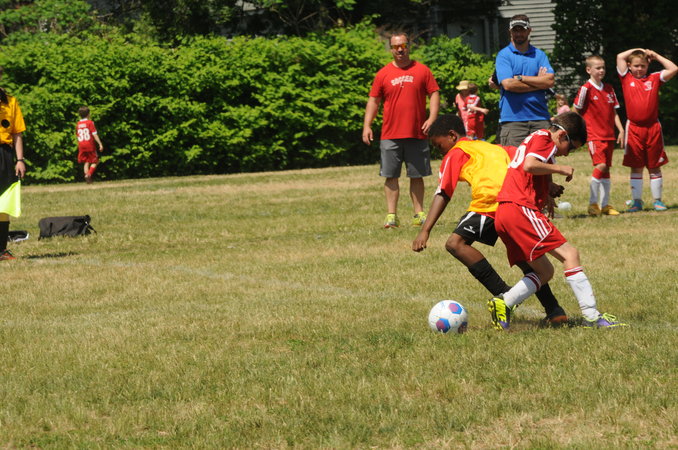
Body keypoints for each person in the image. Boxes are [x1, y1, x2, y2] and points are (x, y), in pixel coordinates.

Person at [412, 114, 567, 325]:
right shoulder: (492, 147)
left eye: (439, 146)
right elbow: (528, 158)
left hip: (491, 203)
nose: (441, 152)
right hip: (516, 204)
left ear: (452, 136)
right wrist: (547, 185)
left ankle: (504, 296)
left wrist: (425, 230)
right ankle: (555, 311)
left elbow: (443, 192)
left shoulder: (457, 151)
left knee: (455, 244)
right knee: (525, 258)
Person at [488, 112, 626, 330]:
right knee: (570, 254)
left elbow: (532, 167)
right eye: (570, 147)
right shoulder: (544, 137)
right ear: (562, 135)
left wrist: (548, 189)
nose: (568, 154)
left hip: (505, 212)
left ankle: (504, 303)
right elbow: (529, 164)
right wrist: (560, 169)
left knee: (544, 272)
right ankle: (592, 316)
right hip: (520, 208)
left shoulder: (538, 138)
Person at [363, 32, 440, 228]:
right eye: (396, 46)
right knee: (391, 175)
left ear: (408, 46)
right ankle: (391, 216)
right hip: (390, 134)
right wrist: (367, 125)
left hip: (417, 132)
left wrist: (432, 118)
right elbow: (374, 101)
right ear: (391, 49)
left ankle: (419, 214)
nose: (400, 50)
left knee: (417, 175)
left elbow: (434, 93)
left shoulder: (422, 70)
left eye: (403, 46)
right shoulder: (383, 73)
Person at [616, 48, 678, 212]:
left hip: (653, 128)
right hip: (634, 129)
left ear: (648, 65)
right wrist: (640, 50)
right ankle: (637, 201)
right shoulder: (626, 78)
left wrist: (656, 56)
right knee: (636, 166)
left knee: (654, 166)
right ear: (629, 66)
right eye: (636, 65)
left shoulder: (654, 78)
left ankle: (658, 201)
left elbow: (674, 68)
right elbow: (620, 56)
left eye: (643, 66)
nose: (639, 69)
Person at [573, 55, 625, 216]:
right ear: (588, 70)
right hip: (594, 135)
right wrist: (577, 131)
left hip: (609, 135)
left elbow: (614, 112)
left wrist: (621, 130)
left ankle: (605, 205)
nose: (601, 70)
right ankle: (592, 203)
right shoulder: (585, 89)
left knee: (606, 169)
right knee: (600, 165)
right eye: (598, 68)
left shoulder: (609, 89)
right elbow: (575, 110)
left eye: (603, 67)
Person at [495, 14, 555, 147]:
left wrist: (521, 78)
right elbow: (508, 85)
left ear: (529, 31)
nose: (518, 33)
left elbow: (550, 81)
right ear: (510, 31)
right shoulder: (503, 55)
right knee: (514, 158)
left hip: (540, 118)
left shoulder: (540, 55)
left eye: (522, 30)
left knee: (543, 158)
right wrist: (539, 83)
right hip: (513, 121)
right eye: (515, 30)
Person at [0, 67, 27, 261]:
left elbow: (17, 133)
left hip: (4, 154)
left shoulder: (10, 102)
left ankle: (1, 249)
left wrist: (20, 160)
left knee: (3, 202)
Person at [76, 106, 104, 184]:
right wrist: (100, 144)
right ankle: (88, 174)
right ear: (88, 114)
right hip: (89, 145)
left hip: (81, 145)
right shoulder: (90, 122)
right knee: (96, 161)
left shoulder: (78, 124)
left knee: (86, 161)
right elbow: (94, 134)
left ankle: (88, 180)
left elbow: (77, 134)